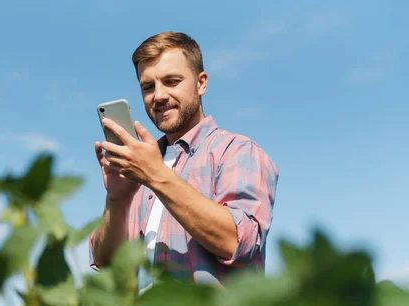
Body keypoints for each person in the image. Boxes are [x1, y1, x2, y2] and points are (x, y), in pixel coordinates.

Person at [89, 31, 279, 291]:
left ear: (201, 83)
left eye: (171, 81)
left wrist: (156, 176)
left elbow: (238, 242)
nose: (158, 95)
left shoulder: (237, 151)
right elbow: (106, 263)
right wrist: (117, 200)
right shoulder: (137, 166)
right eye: (148, 87)